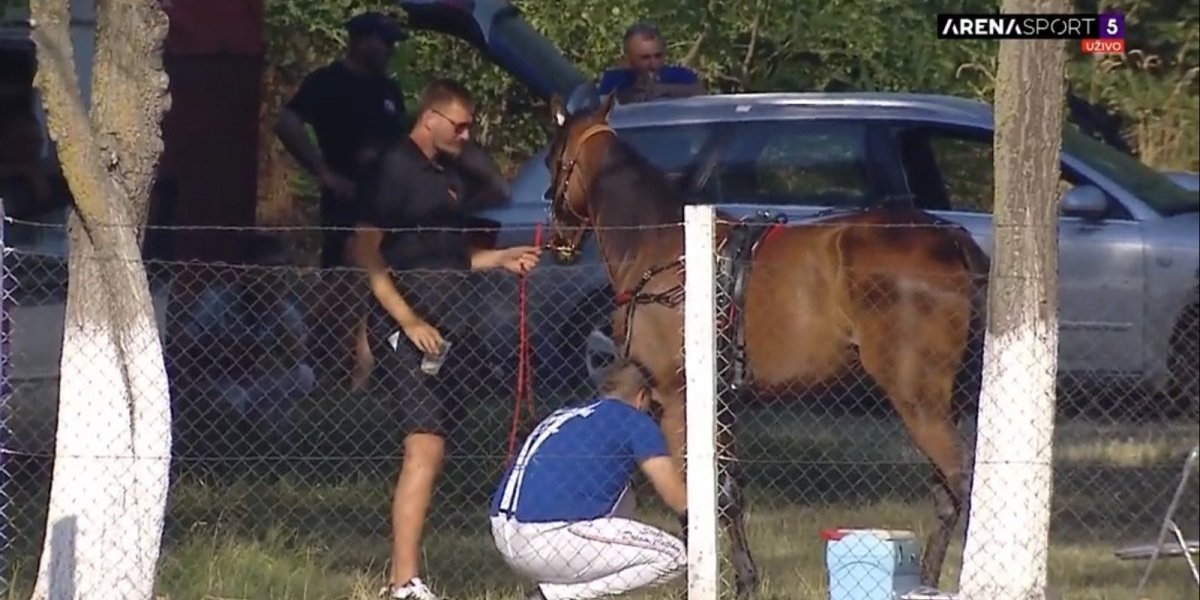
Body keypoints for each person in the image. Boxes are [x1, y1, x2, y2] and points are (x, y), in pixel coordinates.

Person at [348, 78, 542, 600]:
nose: (466, 135)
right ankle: (402, 583)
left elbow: (451, 258)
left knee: (438, 448)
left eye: (469, 126)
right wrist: (407, 321)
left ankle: (408, 572)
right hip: (405, 327)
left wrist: (501, 258)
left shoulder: (449, 178)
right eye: (459, 125)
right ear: (429, 118)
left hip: (450, 329)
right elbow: (365, 251)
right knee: (424, 446)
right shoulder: (392, 169)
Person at [488, 358, 689, 600]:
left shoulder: (564, 415)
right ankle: (552, 596)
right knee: (675, 556)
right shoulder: (633, 419)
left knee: (626, 492)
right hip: (551, 539)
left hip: (504, 534)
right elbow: (677, 497)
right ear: (642, 397)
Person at [596, 22, 706, 104]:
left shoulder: (678, 75)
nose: (653, 64)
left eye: (658, 56)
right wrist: (631, 94)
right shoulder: (614, 79)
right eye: (645, 58)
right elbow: (601, 107)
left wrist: (664, 89)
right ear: (627, 60)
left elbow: (701, 93)